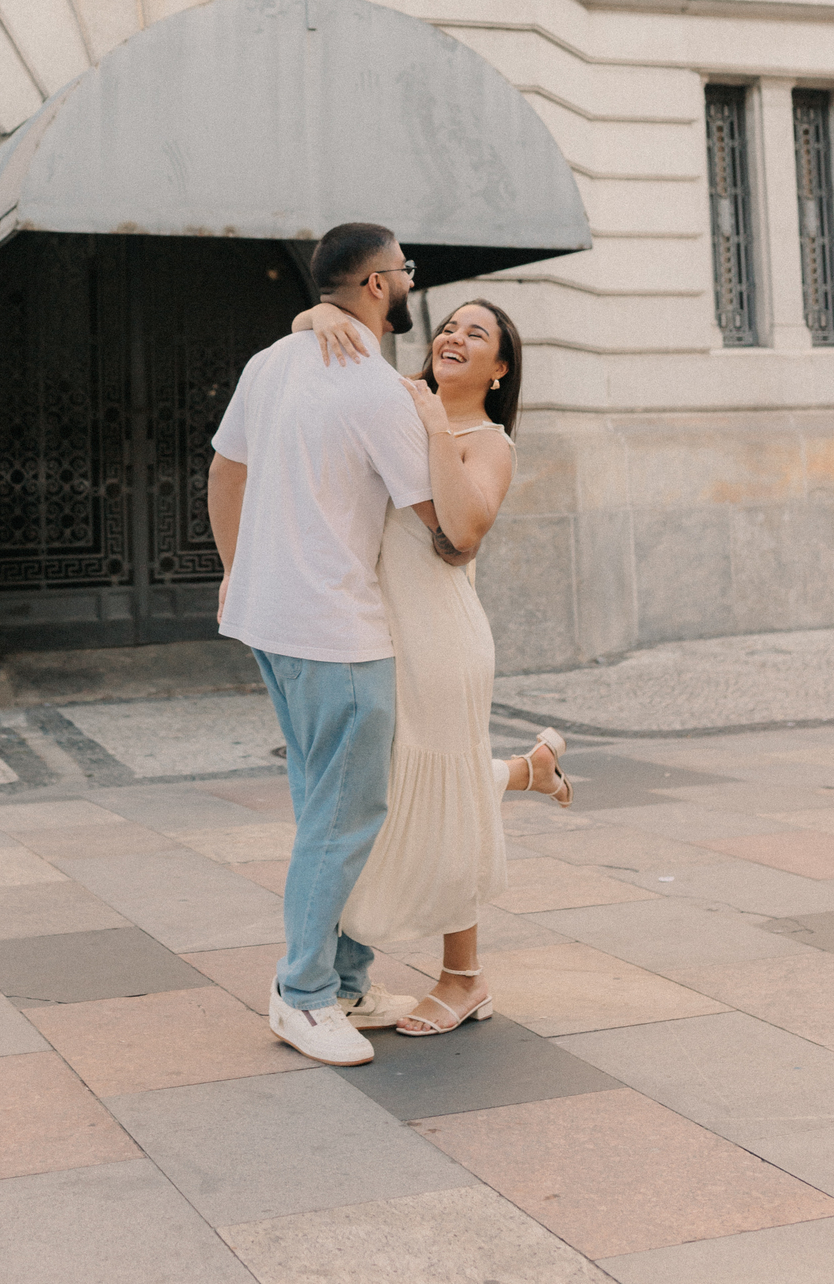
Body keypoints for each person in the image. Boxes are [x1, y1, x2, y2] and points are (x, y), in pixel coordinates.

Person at [208, 221, 464, 1067]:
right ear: (377, 284)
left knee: (336, 809)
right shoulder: (378, 390)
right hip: (338, 630)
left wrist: (235, 568)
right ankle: (304, 993)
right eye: (404, 270)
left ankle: (346, 980)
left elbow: (225, 470)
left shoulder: (270, 362)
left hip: (270, 620)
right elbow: (444, 528)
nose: (410, 281)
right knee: (343, 818)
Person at [291, 293, 572, 1036]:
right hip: (382, 631)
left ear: (499, 369)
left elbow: (463, 531)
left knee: (445, 798)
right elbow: (311, 333)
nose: (454, 336)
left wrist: (436, 426)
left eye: (476, 334)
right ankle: (525, 770)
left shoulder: (488, 441)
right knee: (396, 783)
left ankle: (464, 977)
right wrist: (323, 316)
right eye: (449, 326)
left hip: (444, 641)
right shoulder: (399, 402)